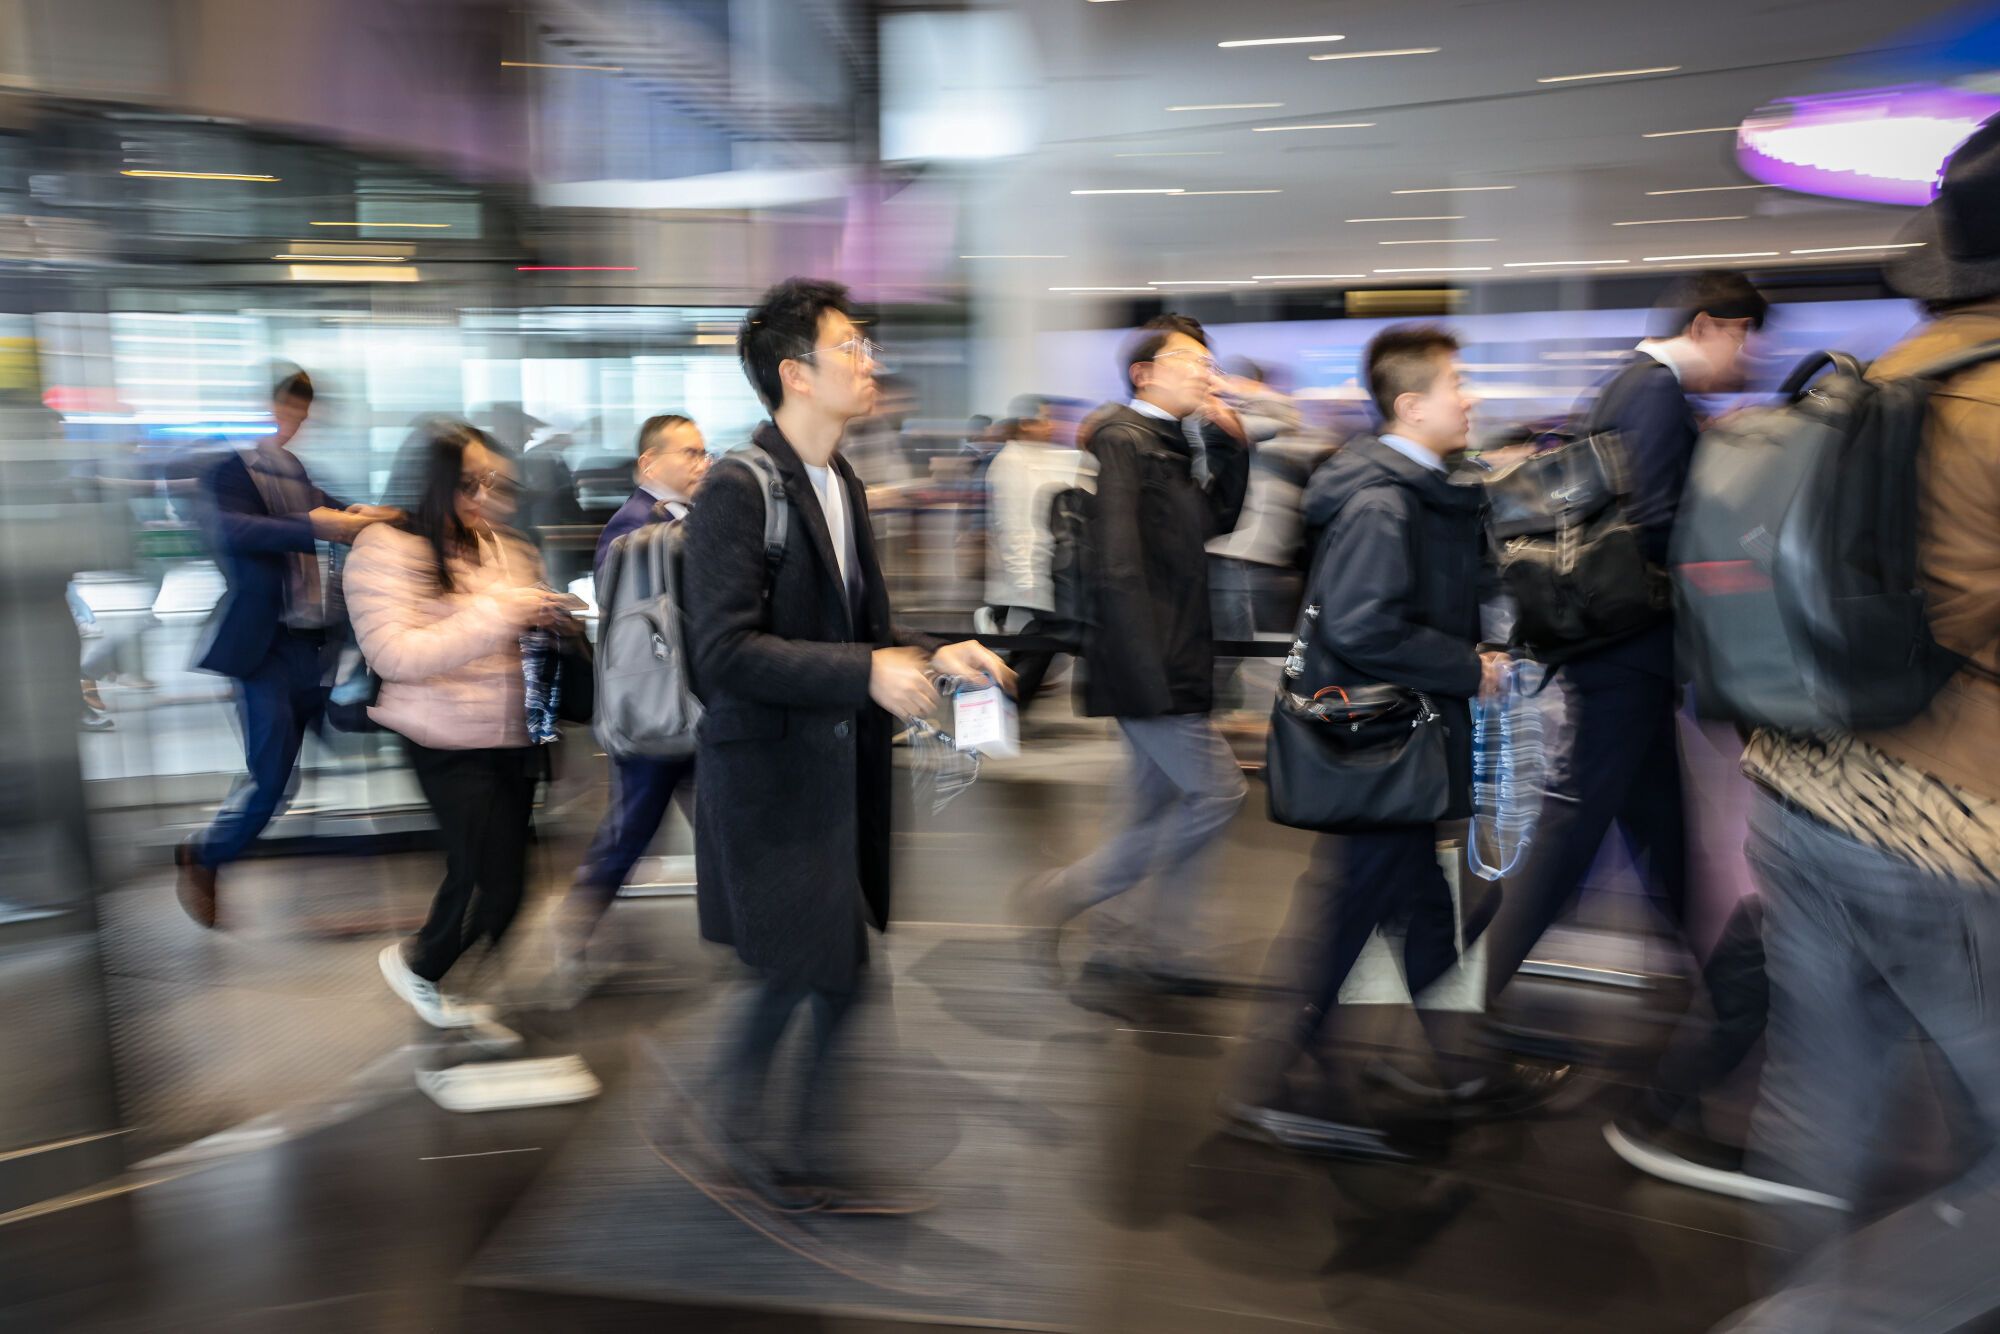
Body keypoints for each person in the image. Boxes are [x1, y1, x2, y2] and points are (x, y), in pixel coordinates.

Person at [1714, 117, 2000, 1333]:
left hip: (1800, 793)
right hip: (1948, 827)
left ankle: (1805, 1308)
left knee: (1820, 1106)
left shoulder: (1876, 384)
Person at [682, 277, 1012, 1214]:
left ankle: (759, 1146)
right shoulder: (737, 491)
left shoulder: (840, 482)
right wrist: (861, 674)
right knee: (820, 974)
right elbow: (722, 653)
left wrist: (937, 652)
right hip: (772, 783)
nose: (870, 364)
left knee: (825, 975)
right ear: (795, 374)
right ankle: (775, 1158)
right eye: (851, 349)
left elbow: (863, 627)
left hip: (835, 776)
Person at [1480, 271, 1768, 1140]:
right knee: (1571, 838)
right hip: (1624, 660)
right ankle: (1469, 995)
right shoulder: (1650, 392)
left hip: (1622, 659)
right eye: (1744, 337)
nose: (1746, 357)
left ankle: (1727, 988)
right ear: (1711, 325)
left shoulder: (1628, 386)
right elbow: (1655, 528)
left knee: (1657, 829)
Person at [1223, 325, 1515, 1160]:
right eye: (1459, 382)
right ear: (1411, 404)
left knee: (1417, 903)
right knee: (1352, 912)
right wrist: (1467, 666)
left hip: (1395, 743)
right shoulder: (1386, 500)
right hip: (1384, 744)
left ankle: (1456, 1065)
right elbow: (1359, 622)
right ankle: (1270, 1083)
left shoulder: (1415, 488)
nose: (1473, 396)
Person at [1022, 314, 1251, 995]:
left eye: (1207, 362)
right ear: (1144, 373)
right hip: (1149, 663)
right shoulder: (1126, 441)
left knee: (1155, 807)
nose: (1204, 372)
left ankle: (1157, 945)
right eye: (1188, 360)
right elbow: (1116, 567)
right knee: (1217, 794)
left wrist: (1231, 447)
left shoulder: (1168, 443)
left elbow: (1217, 523)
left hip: (1168, 655)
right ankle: (1066, 895)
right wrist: (1145, 674)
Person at [345, 422, 574, 1028]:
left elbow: (508, 627)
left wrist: (545, 617)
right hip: (441, 737)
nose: (485, 496)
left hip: (510, 732)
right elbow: (395, 656)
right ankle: (424, 968)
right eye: (471, 482)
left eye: (493, 482)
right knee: (477, 875)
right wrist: (502, 613)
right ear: (435, 479)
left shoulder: (497, 543)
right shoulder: (385, 549)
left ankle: (438, 975)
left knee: (511, 889)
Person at [174, 370, 393, 928]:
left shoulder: (295, 471)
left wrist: (373, 516)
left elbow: (336, 516)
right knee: (273, 777)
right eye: (285, 412)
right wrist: (313, 524)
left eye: (300, 416)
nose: (292, 425)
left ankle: (353, 866)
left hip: (311, 646)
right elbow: (238, 532)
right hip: (263, 649)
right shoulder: (228, 473)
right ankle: (206, 855)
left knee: (350, 736)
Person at [559, 413, 711, 967]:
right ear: (650, 462)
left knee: (704, 818)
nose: (702, 462)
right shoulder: (632, 527)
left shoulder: (676, 518)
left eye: (703, 452)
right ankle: (575, 922)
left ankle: (746, 924)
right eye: (689, 453)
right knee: (633, 826)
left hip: (683, 705)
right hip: (652, 706)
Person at [982, 394, 1097, 714]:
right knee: (1030, 656)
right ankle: (994, 715)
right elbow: (1014, 527)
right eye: (1043, 419)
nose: (1051, 426)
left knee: (1034, 655)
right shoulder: (1010, 463)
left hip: (1045, 580)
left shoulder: (1041, 457)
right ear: (1026, 424)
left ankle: (999, 714)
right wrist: (1025, 581)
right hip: (1027, 583)